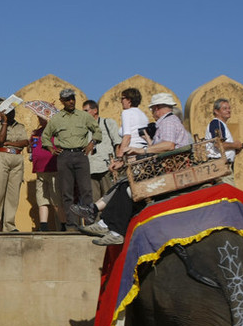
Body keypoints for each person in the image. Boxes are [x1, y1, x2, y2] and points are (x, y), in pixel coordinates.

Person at [80, 93, 192, 245]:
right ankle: (106, 223)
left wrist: (141, 151)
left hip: (169, 168)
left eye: (153, 109)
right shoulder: (167, 122)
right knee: (123, 185)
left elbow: (168, 145)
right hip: (161, 165)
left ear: (158, 108)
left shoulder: (169, 122)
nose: (152, 113)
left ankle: (114, 229)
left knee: (129, 188)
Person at [41, 88, 101, 230]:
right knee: (67, 193)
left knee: (86, 190)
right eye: (67, 99)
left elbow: (97, 131)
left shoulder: (83, 116)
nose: (71, 101)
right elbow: (45, 137)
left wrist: (91, 144)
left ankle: (90, 223)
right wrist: (51, 149)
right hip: (64, 157)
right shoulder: (56, 119)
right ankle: (71, 225)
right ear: (62, 101)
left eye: (73, 98)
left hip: (81, 156)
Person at [0, 98, 28, 232]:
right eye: (8, 111)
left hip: (17, 158)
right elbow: (0, 140)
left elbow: (25, 142)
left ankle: (9, 225)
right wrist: (4, 122)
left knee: (13, 195)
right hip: (1, 157)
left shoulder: (20, 127)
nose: (11, 113)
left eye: (12, 111)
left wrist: (10, 143)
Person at [30, 109, 64, 231]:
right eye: (39, 116)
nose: (40, 119)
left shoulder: (56, 132)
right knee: (41, 198)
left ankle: (63, 225)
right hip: (40, 170)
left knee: (56, 199)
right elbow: (32, 147)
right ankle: (44, 225)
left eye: (42, 117)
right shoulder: (36, 133)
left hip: (54, 168)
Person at [83, 100, 122, 201]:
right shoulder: (84, 129)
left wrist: (117, 161)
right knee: (94, 203)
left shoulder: (107, 123)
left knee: (110, 198)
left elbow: (117, 142)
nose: (84, 114)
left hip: (106, 167)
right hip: (90, 169)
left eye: (86, 111)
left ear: (95, 110)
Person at [205, 98, 243, 185]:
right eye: (225, 108)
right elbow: (218, 145)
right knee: (229, 193)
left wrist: (235, 149)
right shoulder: (217, 123)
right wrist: (235, 145)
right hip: (220, 165)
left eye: (229, 108)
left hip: (221, 164)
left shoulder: (221, 124)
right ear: (216, 111)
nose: (228, 111)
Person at [117, 88, 150, 158]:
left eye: (122, 98)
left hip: (132, 151)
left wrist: (120, 155)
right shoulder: (143, 115)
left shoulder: (127, 112)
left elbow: (127, 136)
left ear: (129, 100)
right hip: (144, 150)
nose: (121, 101)